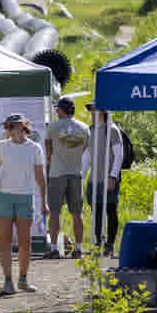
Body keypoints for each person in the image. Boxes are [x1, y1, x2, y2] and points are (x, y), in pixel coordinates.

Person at [0, 113, 48, 296]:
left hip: (25, 197)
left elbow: (40, 177)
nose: (10, 130)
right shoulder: (1, 147)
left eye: (13, 126)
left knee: (25, 242)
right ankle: (7, 281)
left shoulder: (35, 148)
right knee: (5, 241)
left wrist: (44, 202)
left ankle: (22, 279)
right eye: (8, 127)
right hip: (3, 197)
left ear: (23, 127)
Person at [43, 97, 90, 258]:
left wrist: (51, 158)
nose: (56, 112)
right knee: (77, 213)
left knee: (55, 212)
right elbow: (84, 148)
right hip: (76, 173)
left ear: (61, 110)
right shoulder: (84, 128)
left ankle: (54, 249)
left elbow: (48, 148)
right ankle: (77, 248)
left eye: (57, 109)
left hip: (57, 173)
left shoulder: (53, 127)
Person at [90, 112, 128, 257]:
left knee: (111, 210)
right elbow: (89, 153)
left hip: (109, 179)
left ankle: (110, 244)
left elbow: (119, 154)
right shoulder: (92, 129)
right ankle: (98, 244)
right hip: (95, 179)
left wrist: (112, 176)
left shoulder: (112, 129)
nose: (91, 112)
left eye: (93, 109)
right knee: (97, 212)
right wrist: (83, 173)